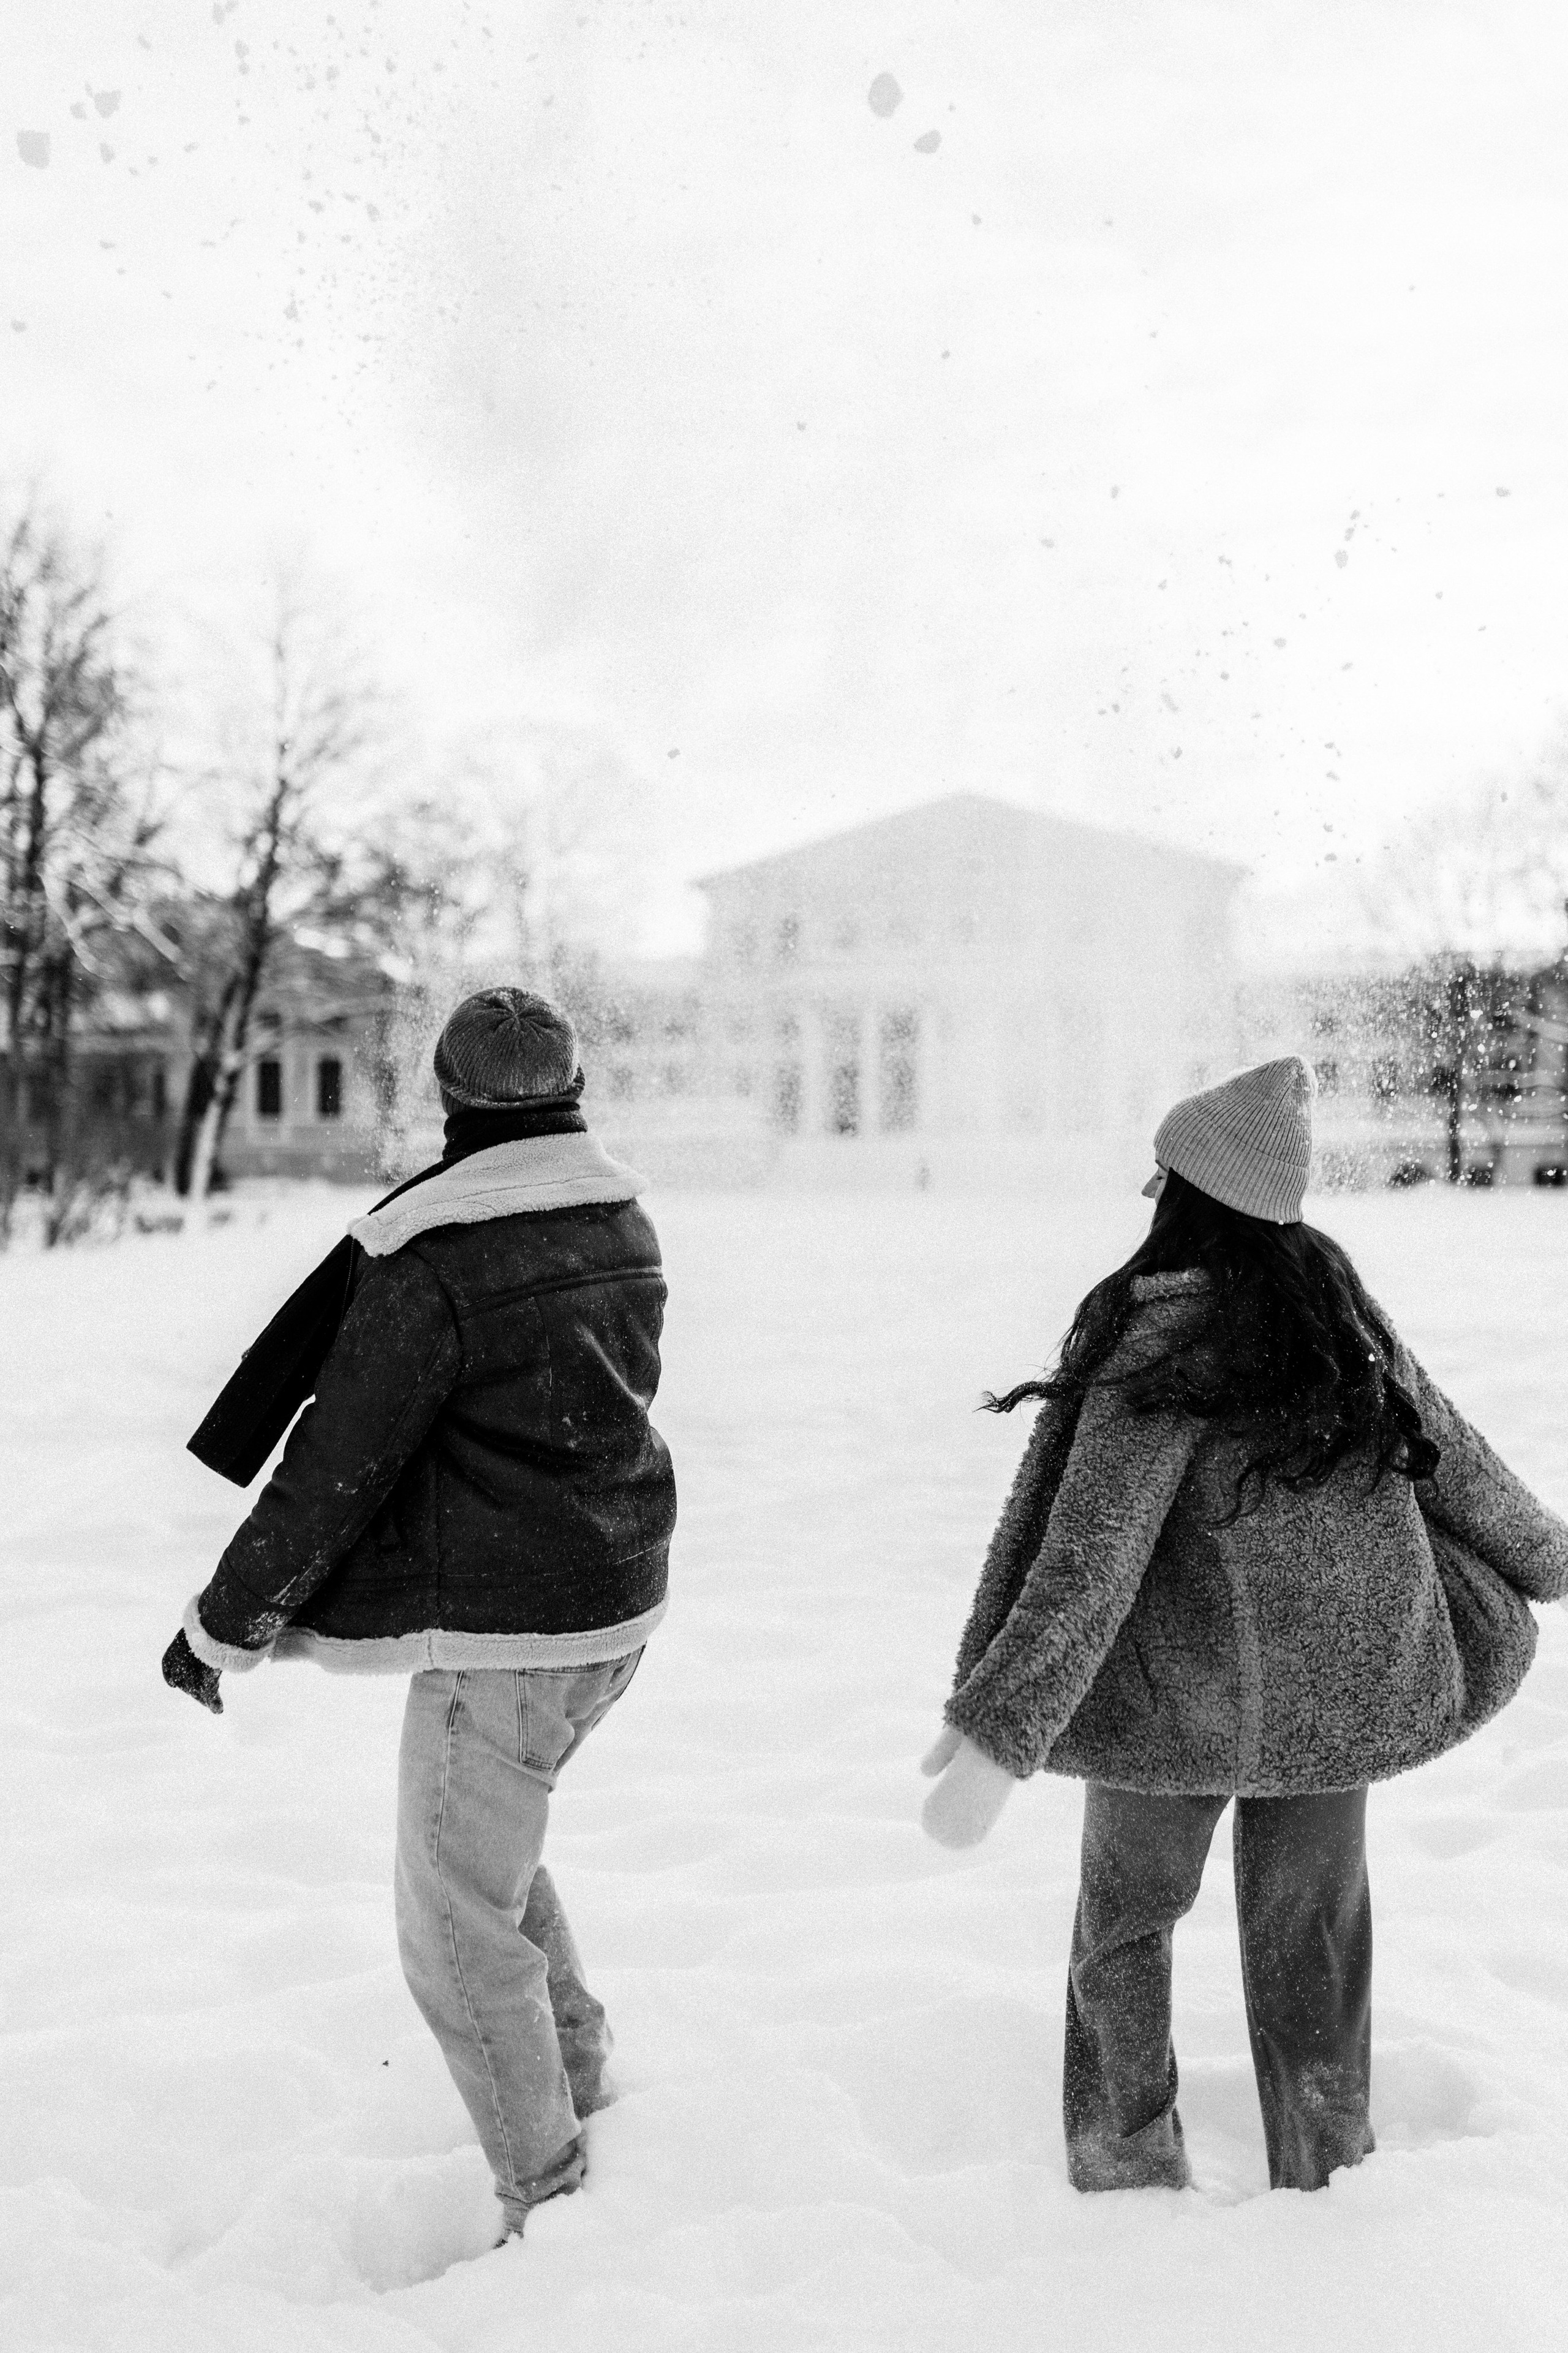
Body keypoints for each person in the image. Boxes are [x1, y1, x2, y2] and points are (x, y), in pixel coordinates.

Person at [921, 1056, 1568, 2194]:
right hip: (1340, 1690)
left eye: (1159, 1172)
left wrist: (1000, 1730)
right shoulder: (1331, 1309)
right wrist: (1548, 1555)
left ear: (1189, 1190)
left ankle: (1122, 2161)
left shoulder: (1157, 1329)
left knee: (1124, 1925)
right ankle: (1325, 2165)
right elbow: (1450, 1452)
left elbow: (1090, 1552)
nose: (1143, 1192)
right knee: (1313, 1929)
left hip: (1175, 1704)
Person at [162, 987, 676, 2242]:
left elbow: (336, 1466)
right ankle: (582, 2078)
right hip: (612, 1602)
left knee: (450, 1926)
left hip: (510, 1635)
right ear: (567, 1090)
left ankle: (547, 2203)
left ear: (448, 1096)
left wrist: (222, 1625)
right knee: (485, 1867)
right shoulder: (615, 1213)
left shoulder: (436, 1255)